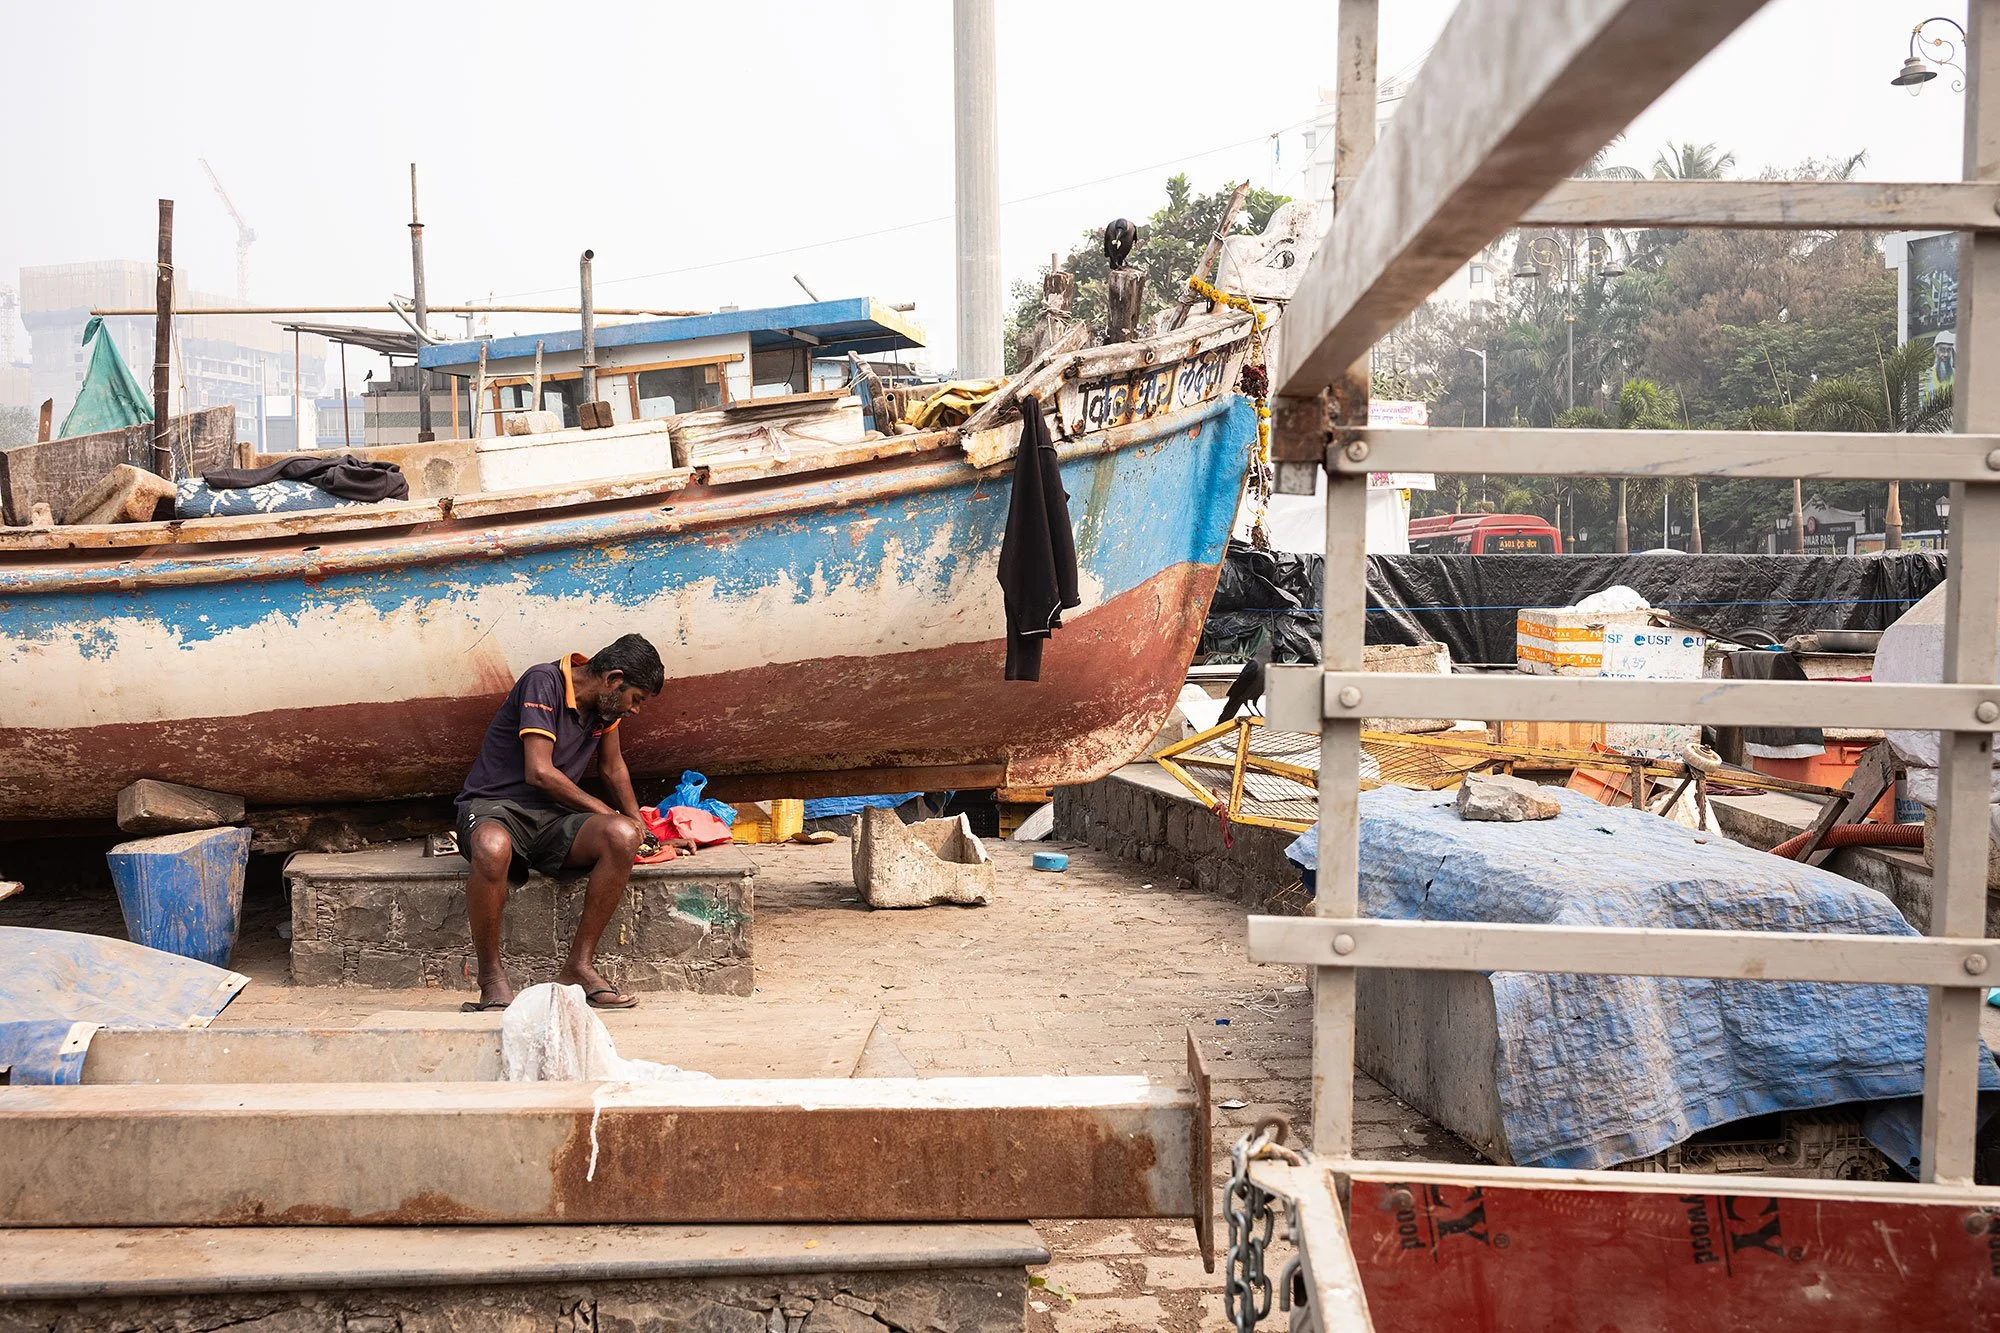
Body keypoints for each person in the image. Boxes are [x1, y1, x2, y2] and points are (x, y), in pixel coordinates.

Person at [454, 633, 682, 1011]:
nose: (636, 710)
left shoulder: (607, 710)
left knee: (622, 835)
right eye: (636, 699)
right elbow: (539, 772)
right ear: (613, 679)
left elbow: (612, 768)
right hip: (495, 808)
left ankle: (578, 967)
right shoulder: (543, 682)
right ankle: (491, 978)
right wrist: (604, 811)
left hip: (552, 819)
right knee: (492, 847)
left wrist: (642, 828)